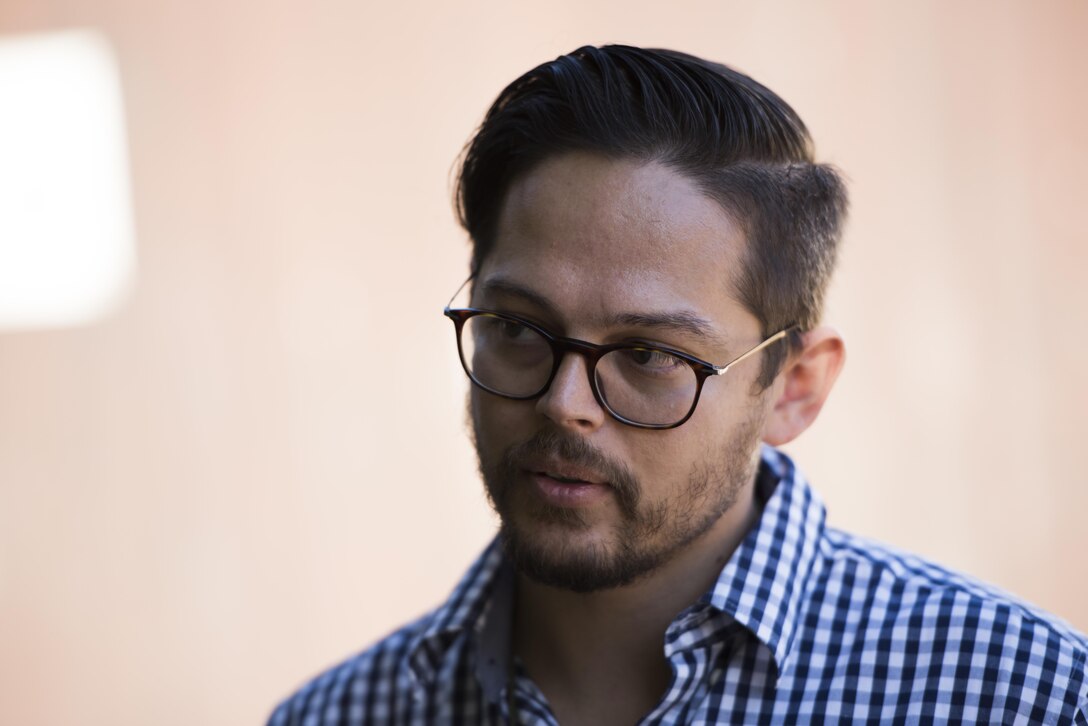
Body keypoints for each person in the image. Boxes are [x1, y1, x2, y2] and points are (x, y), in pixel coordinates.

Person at [268, 45, 1088, 725]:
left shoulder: (1024, 697)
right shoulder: (341, 715)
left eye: (651, 355)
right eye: (518, 329)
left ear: (794, 387)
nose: (565, 404)